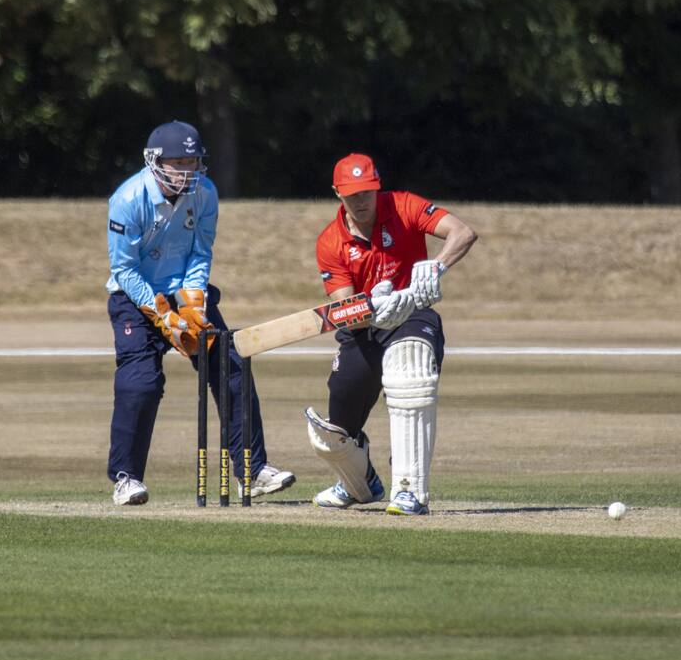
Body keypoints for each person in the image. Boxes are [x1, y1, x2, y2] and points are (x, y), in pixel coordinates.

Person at [105, 120, 295, 505]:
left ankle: (252, 470)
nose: (186, 171)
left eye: (192, 162)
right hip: (135, 297)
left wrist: (192, 303)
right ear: (154, 161)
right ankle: (126, 478)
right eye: (177, 163)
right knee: (140, 383)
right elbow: (125, 269)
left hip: (185, 292)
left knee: (232, 369)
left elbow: (200, 251)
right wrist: (161, 314)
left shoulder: (205, 193)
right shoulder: (127, 199)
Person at [304, 152, 477, 516]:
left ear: (377, 187)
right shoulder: (330, 242)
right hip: (363, 330)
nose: (361, 201)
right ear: (338, 193)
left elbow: (462, 232)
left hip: (414, 315)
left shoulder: (403, 206)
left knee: (409, 370)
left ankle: (410, 489)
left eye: (367, 192)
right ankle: (357, 484)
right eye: (352, 194)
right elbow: (345, 311)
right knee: (334, 435)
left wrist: (435, 267)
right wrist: (373, 309)